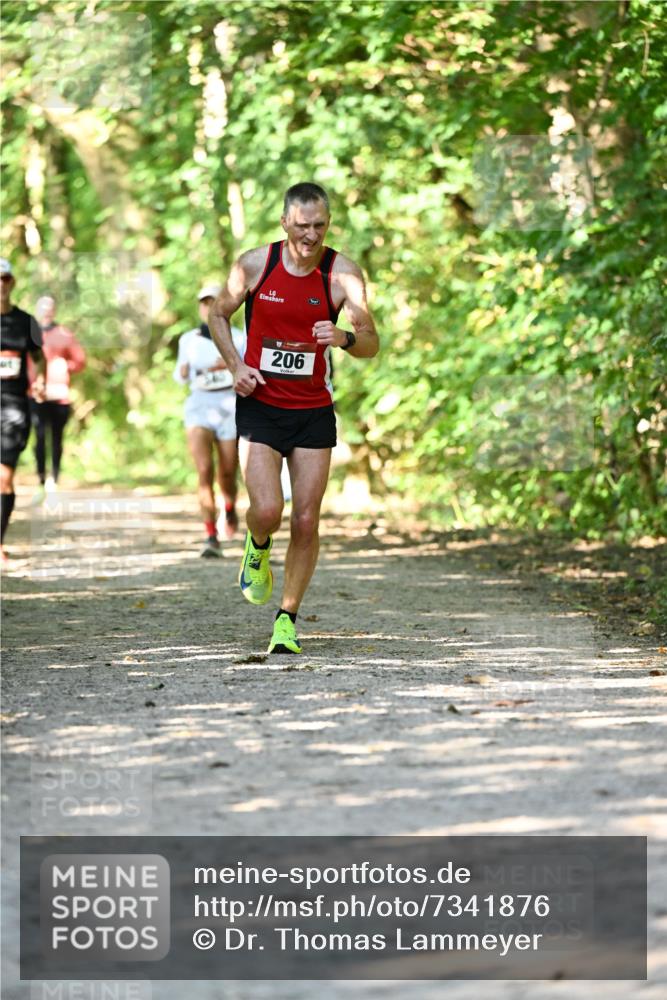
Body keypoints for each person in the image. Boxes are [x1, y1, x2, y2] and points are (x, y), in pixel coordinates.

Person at [209, 182, 379, 653]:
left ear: (328, 223)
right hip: (262, 404)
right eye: (302, 226)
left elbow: (370, 342)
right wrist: (236, 365)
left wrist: (343, 338)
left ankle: (286, 620)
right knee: (267, 510)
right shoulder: (253, 265)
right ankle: (257, 545)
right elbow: (218, 316)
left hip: (312, 411)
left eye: (319, 226)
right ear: (284, 222)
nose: (310, 235)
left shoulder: (342, 274)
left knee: (306, 519)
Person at [174, 284, 244, 557]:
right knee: (204, 470)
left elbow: (247, 370)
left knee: (227, 472)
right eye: (204, 303)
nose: (208, 307)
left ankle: (228, 508)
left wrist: (227, 364)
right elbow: (179, 377)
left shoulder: (238, 337)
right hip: (199, 407)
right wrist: (183, 371)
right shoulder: (188, 339)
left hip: (229, 407)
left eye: (213, 301)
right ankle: (210, 535)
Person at [0, 258, 45, 564]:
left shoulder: (27, 321)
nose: (1, 284)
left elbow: (40, 357)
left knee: (3, 477)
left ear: (12, 282)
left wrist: (40, 379)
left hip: (14, 408)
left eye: (5, 278)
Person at [29, 295, 86, 502]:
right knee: (40, 437)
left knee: (56, 438)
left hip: (59, 395)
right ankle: (41, 481)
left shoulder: (64, 334)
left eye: (50, 307)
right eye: (42, 307)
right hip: (36, 394)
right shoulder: (29, 333)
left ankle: (55, 480)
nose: (46, 311)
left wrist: (65, 366)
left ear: (54, 310)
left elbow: (80, 361)